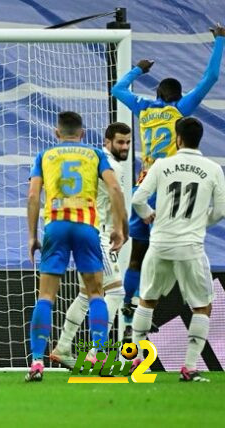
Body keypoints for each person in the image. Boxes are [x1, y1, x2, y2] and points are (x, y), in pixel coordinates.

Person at [111, 25, 225, 342]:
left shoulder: (144, 107)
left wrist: (138, 69)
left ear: (158, 94)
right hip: (171, 188)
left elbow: (117, 90)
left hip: (143, 184)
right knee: (174, 253)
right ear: (177, 96)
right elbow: (210, 79)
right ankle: (172, 312)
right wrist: (220, 41)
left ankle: (131, 308)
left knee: (138, 255)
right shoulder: (180, 110)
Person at [25, 112, 127, 382]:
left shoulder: (45, 156)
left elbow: (33, 195)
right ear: (82, 134)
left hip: (56, 226)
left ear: (57, 133)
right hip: (86, 227)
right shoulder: (95, 154)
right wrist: (119, 227)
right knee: (96, 294)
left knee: (46, 297)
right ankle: (98, 354)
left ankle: (37, 362)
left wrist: (32, 236)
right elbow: (115, 189)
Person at [131, 117, 225, 382]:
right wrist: (197, 222)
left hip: (160, 243)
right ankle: (189, 366)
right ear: (199, 139)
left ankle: (138, 361)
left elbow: (137, 199)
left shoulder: (162, 164)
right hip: (190, 247)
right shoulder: (212, 168)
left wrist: (150, 215)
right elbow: (220, 210)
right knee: (202, 307)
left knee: (147, 300)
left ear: (178, 138)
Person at [49, 122, 131, 368]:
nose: (124, 147)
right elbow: (118, 197)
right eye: (119, 142)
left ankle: (63, 347)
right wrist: (121, 230)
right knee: (116, 291)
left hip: (81, 229)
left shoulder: (90, 161)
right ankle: (97, 351)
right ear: (107, 141)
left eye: (127, 142)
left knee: (86, 295)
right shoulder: (111, 166)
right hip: (99, 234)